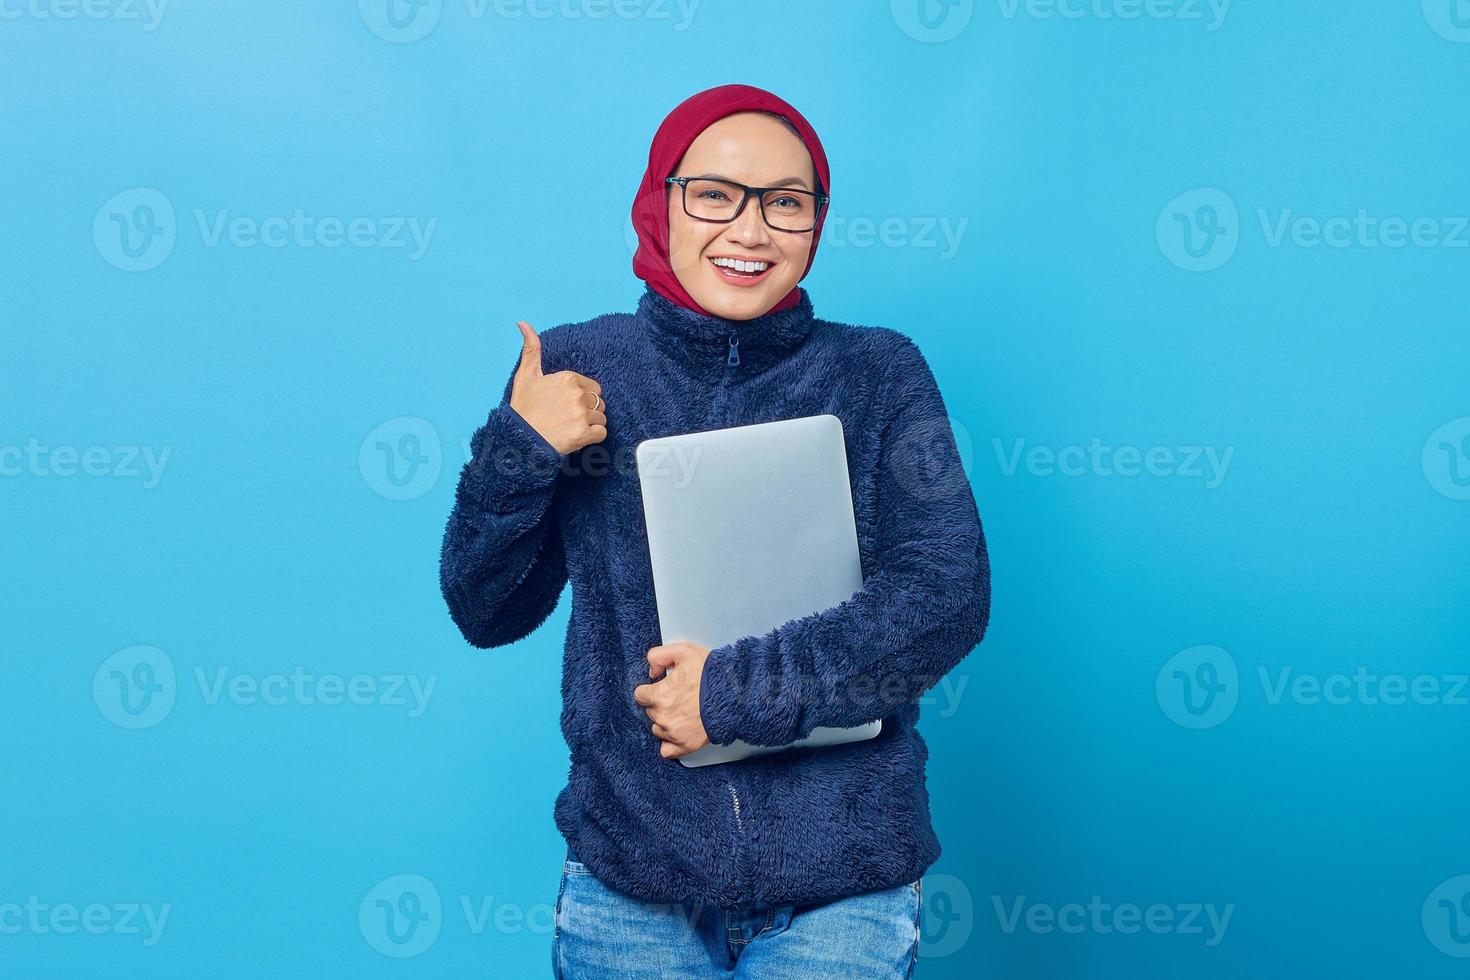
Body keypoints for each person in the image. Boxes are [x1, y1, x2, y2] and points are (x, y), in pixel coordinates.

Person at [438, 83, 991, 978]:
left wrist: (730, 693)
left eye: (786, 202)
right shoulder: (580, 368)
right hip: (629, 886)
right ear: (662, 201)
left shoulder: (881, 372)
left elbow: (945, 597)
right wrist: (520, 449)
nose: (750, 230)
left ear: (816, 222)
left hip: (844, 886)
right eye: (715, 195)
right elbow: (485, 608)